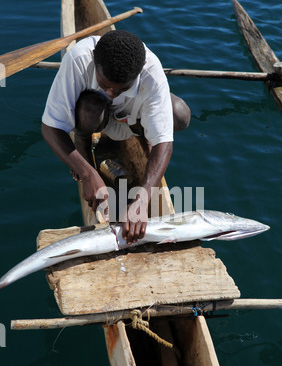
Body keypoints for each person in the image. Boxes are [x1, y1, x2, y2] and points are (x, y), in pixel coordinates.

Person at [41, 30, 190, 244]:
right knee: (89, 109)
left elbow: (164, 142)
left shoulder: (152, 72)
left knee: (179, 114)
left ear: (138, 74)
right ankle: (83, 143)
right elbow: (50, 127)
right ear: (94, 62)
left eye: (121, 89)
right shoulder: (78, 59)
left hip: (131, 119)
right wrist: (87, 174)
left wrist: (142, 199)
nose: (110, 94)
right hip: (95, 118)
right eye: (104, 85)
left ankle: (142, 133)